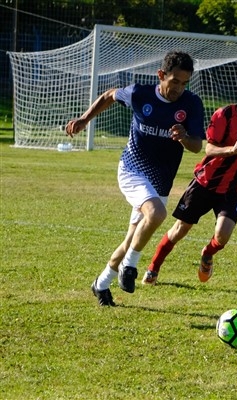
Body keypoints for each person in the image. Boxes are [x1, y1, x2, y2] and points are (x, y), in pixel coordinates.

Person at [65, 51, 205, 306]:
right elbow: (109, 95)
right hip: (132, 169)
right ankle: (129, 267)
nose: (179, 88)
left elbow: (196, 146)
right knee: (158, 213)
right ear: (161, 75)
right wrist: (85, 119)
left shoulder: (192, 104)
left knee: (132, 239)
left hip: (160, 181)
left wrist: (184, 137)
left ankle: (102, 283)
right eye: (175, 81)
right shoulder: (140, 94)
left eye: (184, 83)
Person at [141, 70, 237, 285]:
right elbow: (209, 148)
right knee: (180, 229)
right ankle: (153, 268)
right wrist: (231, 150)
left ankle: (207, 253)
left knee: (223, 235)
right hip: (205, 183)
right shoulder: (223, 115)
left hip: (233, 189)